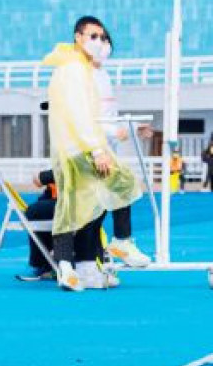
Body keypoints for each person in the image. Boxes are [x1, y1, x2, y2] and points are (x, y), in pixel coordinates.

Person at [44, 16, 144, 292]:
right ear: (78, 37)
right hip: (81, 148)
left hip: (72, 148)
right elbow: (80, 115)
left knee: (78, 208)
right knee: (123, 184)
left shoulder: (75, 68)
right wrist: (98, 149)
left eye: (103, 37)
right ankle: (120, 242)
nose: (100, 42)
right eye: (94, 36)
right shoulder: (75, 70)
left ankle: (74, 267)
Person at [90, 31, 152, 268]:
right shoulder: (83, 77)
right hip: (92, 149)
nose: (104, 46)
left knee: (110, 198)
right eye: (97, 40)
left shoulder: (103, 75)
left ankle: (107, 250)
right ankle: (117, 243)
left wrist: (134, 127)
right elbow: (85, 119)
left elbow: (109, 116)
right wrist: (111, 134)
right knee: (119, 190)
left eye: (106, 42)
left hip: (107, 148)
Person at [16, 169, 57, 282]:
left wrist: (43, 176)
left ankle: (41, 263)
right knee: (38, 207)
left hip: (73, 202)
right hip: (62, 198)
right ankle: (42, 263)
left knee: (35, 211)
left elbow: (64, 170)